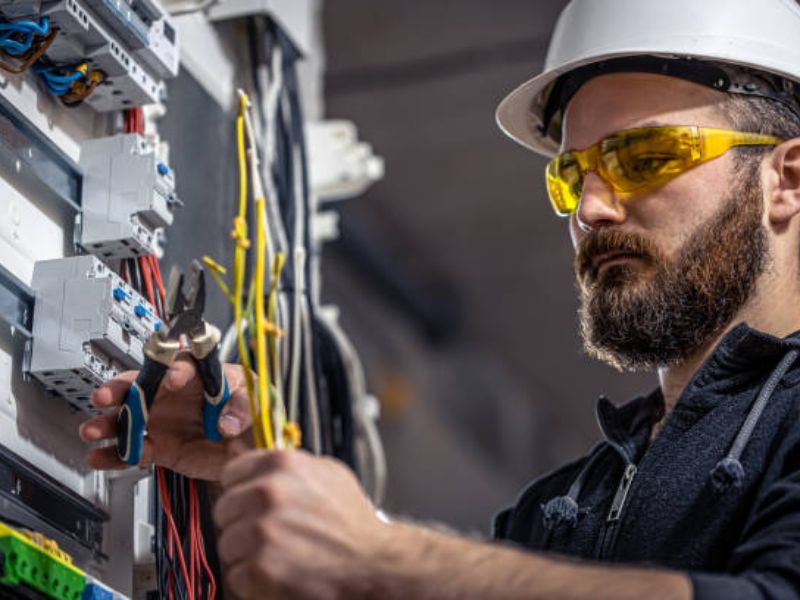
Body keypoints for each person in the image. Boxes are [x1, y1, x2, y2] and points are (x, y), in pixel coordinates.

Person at [79, 0, 800, 597]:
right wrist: (253, 485)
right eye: (571, 176)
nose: (592, 209)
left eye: (642, 158)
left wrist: (376, 554)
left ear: (787, 180)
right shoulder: (562, 511)